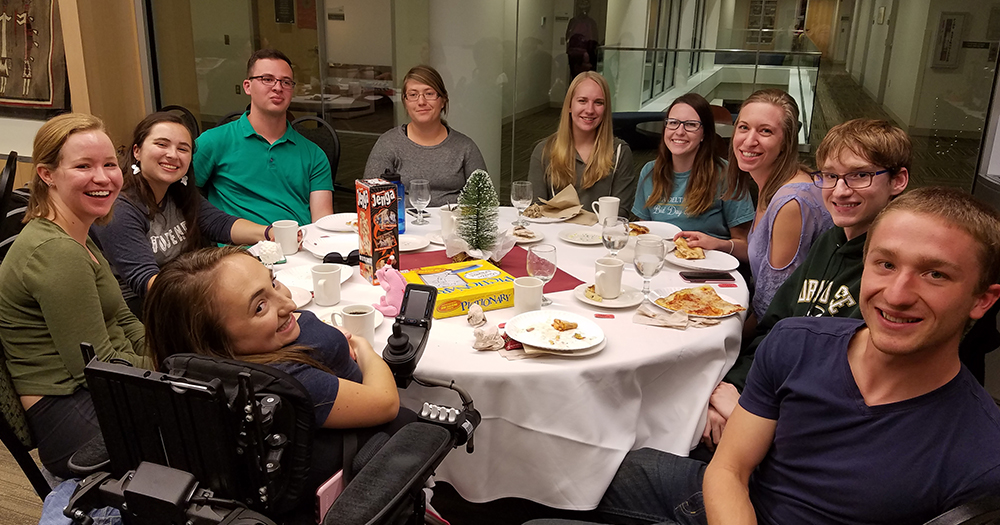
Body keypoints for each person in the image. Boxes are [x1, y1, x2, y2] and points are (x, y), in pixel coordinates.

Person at [530, 187, 1000, 524]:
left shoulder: (981, 454)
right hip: (735, 500)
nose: (897, 294)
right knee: (570, 467)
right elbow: (729, 470)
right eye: (885, 264)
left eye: (935, 274)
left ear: (983, 299)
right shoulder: (795, 343)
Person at [701, 118, 910, 450]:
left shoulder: (895, 275)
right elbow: (773, 329)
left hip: (796, 436)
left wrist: (747, 412)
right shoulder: (830, 242)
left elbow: (845, 387)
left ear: (897, 181)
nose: (841, 190)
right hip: (763, 400)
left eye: (859, 175)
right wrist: (730, 390)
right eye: (830, 176)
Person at [144, 246, 404, 483]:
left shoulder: (249, 355)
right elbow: (386, 402)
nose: (289, 304)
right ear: (216, 346)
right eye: (259, 307)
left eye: (274, 283)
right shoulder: (289, 383)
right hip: (376, 445)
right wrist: (363, 347)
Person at [0, 113, 152, 479]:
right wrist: (165, 368)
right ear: (46, 174)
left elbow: (124, 319)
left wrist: (167, 351)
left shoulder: (77, 233)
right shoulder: (56, 252)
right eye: (84, 166)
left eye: (109, 165)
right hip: (71, 415)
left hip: (97, 391)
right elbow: (96, 366)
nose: (103, 178)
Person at [92, 112, 275, 316]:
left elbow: (220, 224)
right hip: (142, 307)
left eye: (182, 148)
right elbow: (145, 282)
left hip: (181, 292)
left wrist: (269, 233)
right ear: (137, 151)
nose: (173, 154)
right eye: (162, 144)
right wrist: (215, 290)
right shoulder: (120, 208)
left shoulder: (176, 191)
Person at [693, 89, 832, 319]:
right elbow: (765, 253)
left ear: (786, 143)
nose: (749, 140)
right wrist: (718, 244)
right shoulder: (773, 184)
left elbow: (773, 303)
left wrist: (733, 334)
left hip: (775, 333)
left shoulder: (791, 201)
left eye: (765, 131)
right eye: (744, 127)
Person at [195, 48, 334, 225]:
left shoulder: (314, 155)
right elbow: (178, 192)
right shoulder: (214, 142)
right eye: (267, 79)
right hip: (241, 248)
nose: (277, 88)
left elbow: (323, 222)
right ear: (247, 86)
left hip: (299, 246)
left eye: (286, 82)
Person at [632, 93, 753, 260]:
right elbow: (643, 233)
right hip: (659, 266)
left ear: (704, 134)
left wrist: (717, 243)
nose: (679, 131)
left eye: (690, 125)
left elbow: (748, 249)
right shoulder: (649, 172)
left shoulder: (726, 175)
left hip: (708, 270)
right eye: (673, 123)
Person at [363, 65, 487, 207]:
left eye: (429, 94)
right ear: (405, 102)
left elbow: (484, 203)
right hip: (403, 227)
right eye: (413, 95)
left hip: (453, 225)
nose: (421, 102)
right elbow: (370, 200)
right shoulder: (388, 144)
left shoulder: (465, 147)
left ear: (443, 100)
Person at [528, 71, 635, 212]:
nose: (590, 110)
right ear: (570, 106)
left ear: (606, 109)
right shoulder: (543, 151)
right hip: (554, 233)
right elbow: (535, 211)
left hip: (600, 233)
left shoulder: (620, 152)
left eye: (598, 102)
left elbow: (621, 214)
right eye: (582, 101)